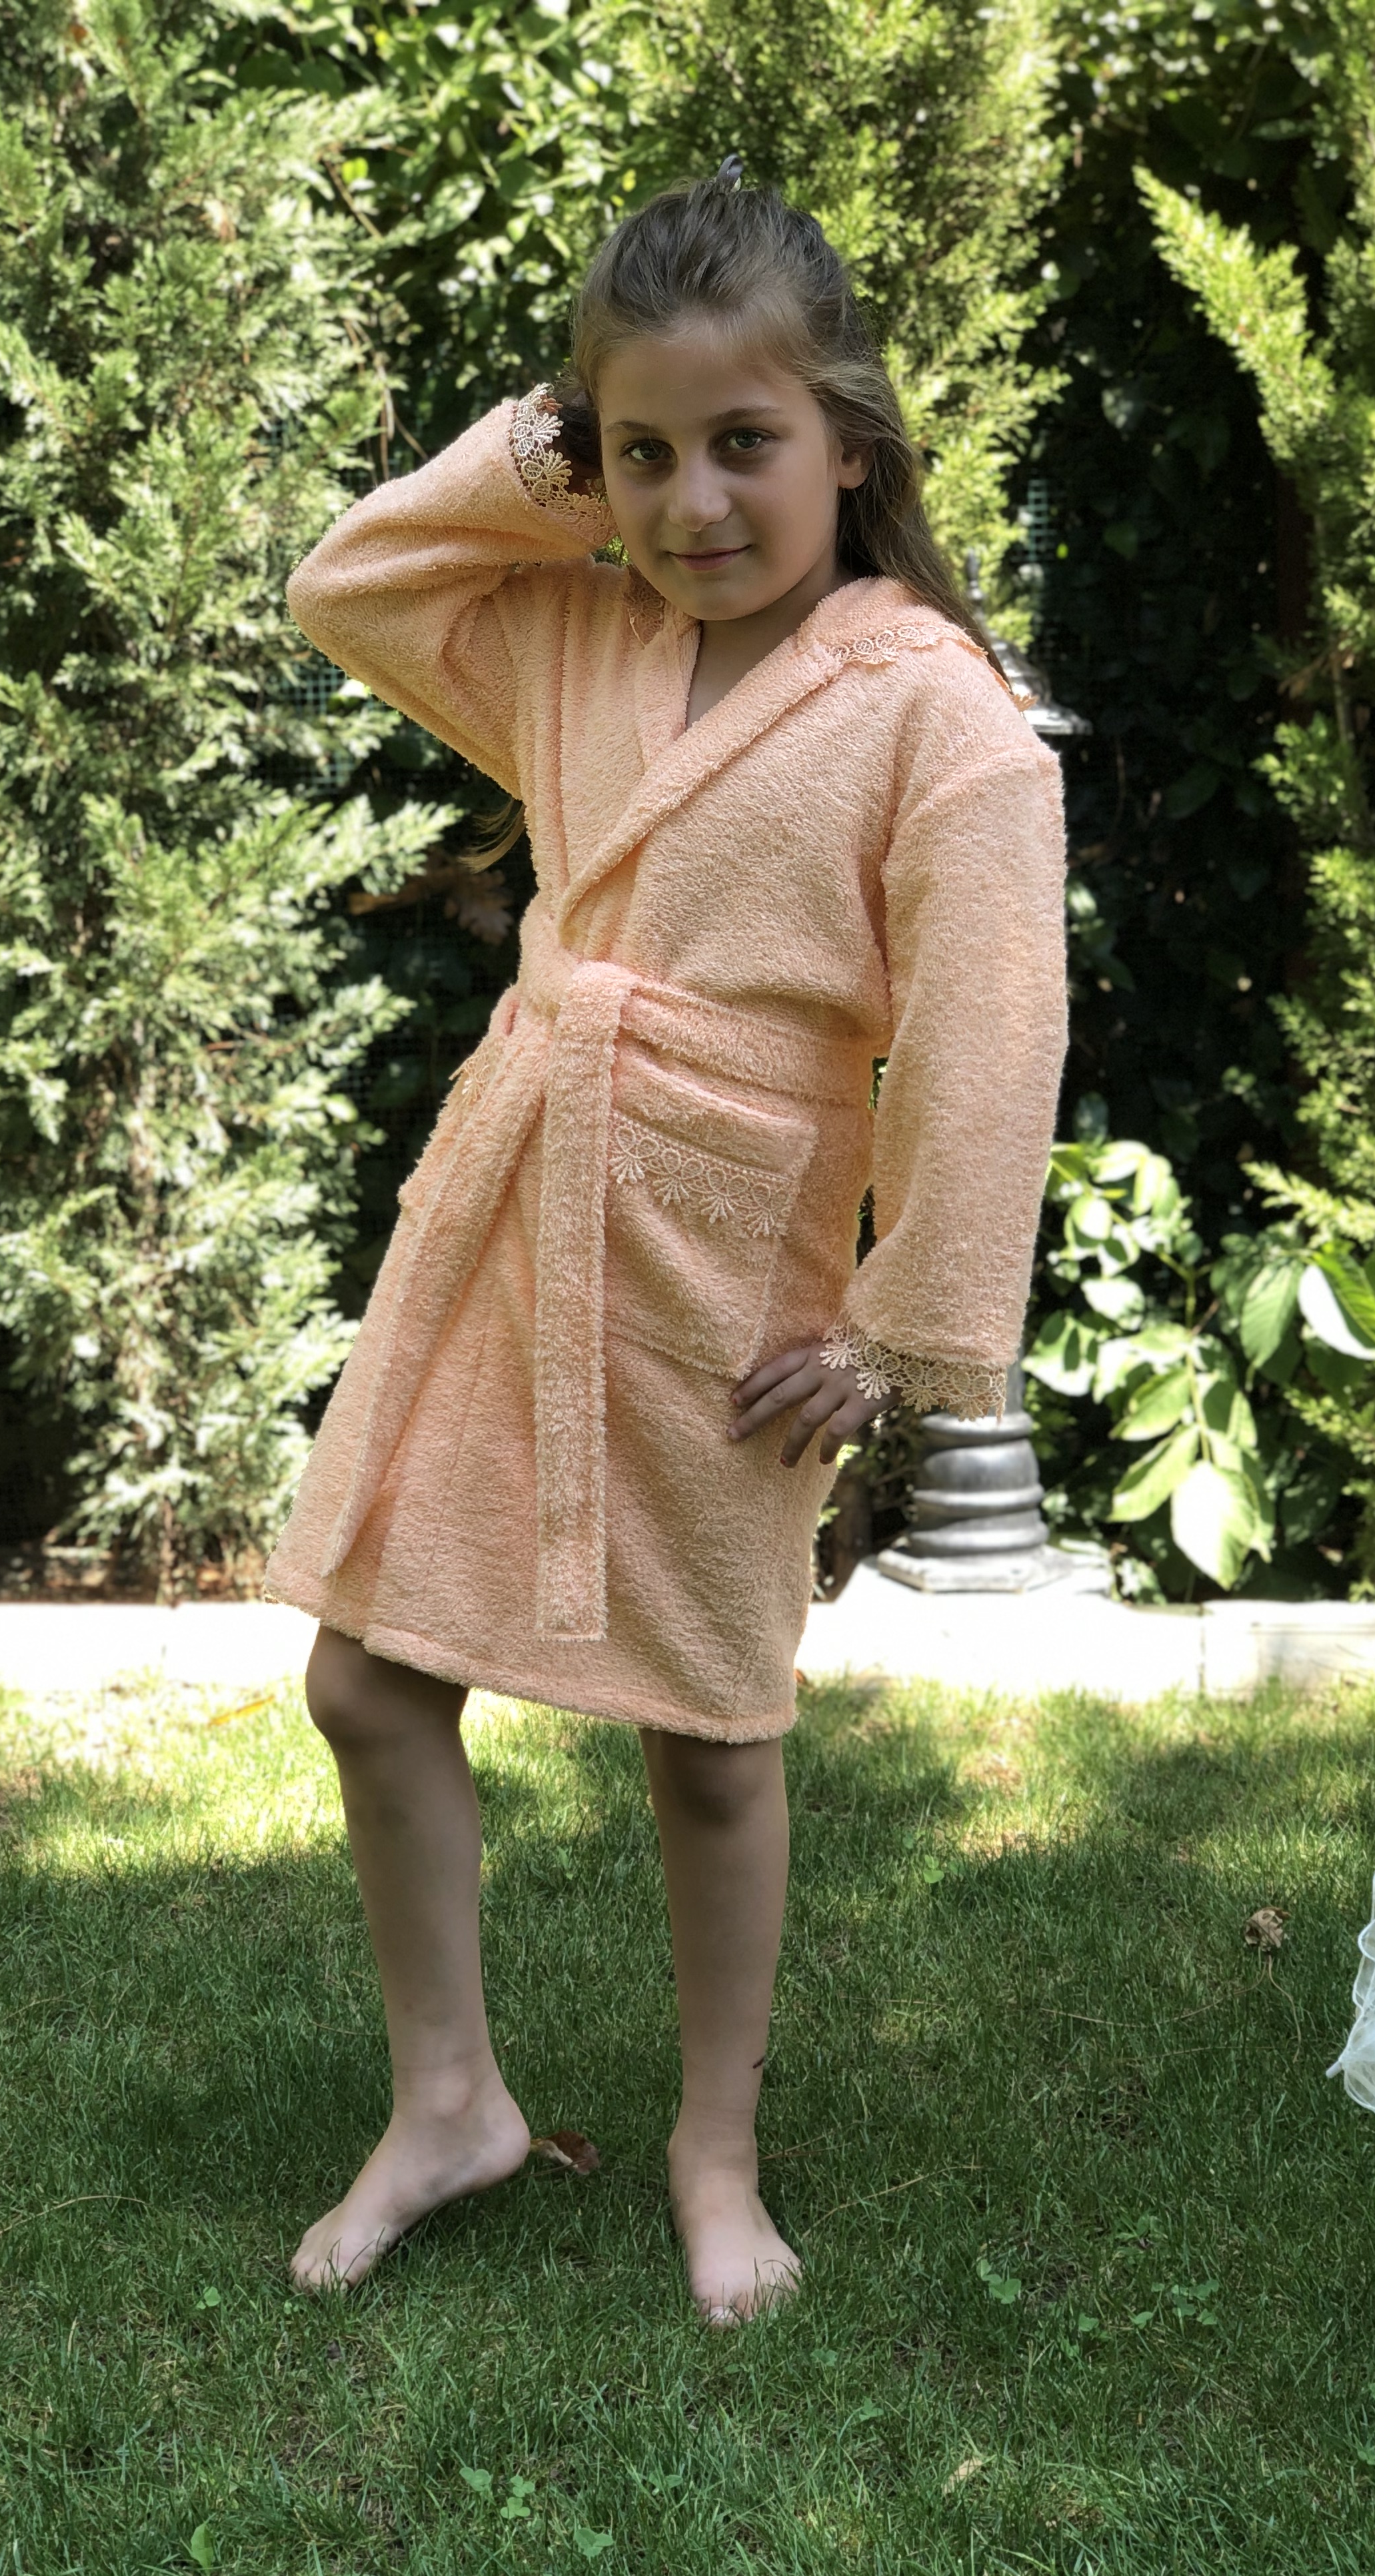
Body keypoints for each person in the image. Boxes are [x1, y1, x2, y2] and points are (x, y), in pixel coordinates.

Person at [265, 163, 1067, 2320]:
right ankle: (450, 2100)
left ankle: (718, 2147)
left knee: (711, 1736)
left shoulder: (935, 713)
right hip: (515, 1216)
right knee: (364, 1676)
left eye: (744, 443)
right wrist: (546, 449)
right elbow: (354, 580)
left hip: (735, 1263)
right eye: (641, 452)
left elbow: (988, 1038)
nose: (694, 502)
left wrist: (902, 1328)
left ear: (850, 443)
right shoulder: (579, 636)